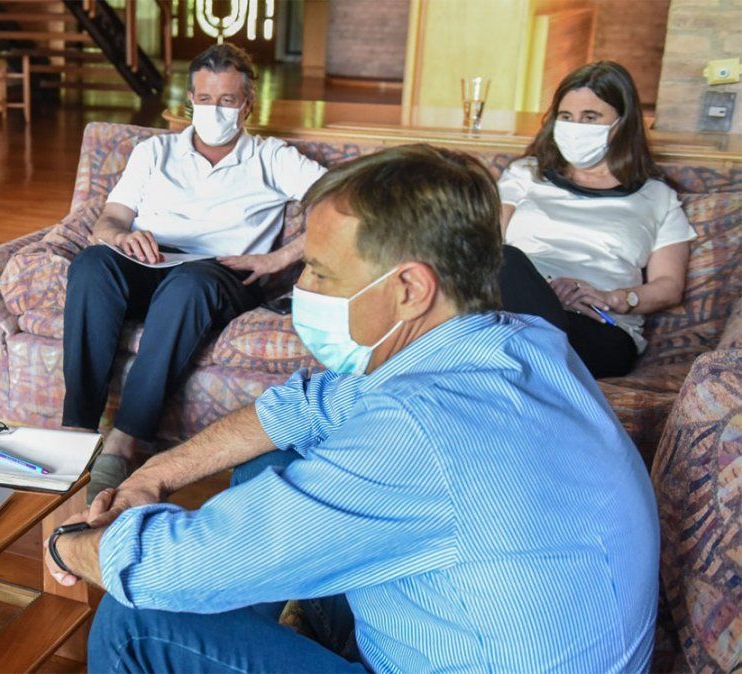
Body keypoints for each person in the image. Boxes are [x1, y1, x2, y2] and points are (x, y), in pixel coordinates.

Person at [44, 145, 660, 672]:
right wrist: (153, 475)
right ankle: (242, 591)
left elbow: (164, 569)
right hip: (472, 624)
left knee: (135, 621)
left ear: (410, 289)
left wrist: (67, 543)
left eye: (318, 272)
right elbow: (305, 406)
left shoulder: (418, 432)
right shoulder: (522, 340)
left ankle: (231, 594)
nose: (300, 293)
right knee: (275, 459)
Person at [62, 44, 327, 501]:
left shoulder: (271, 157)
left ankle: (124, 443)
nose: (214, 110)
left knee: (188, 285)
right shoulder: (155, 151)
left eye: (226, 101)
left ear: (247, 106)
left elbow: (344, 202)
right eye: (204, 99)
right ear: (190, 101)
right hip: (150, 260)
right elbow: (109, 220)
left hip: (220, 273)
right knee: (91, 264)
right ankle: (74, 432)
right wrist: (121, 238)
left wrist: (277, 259)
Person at [498, 61, 694, 378]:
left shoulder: (657, 197)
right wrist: (542, 290)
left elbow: (669, 286)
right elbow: (488, 248)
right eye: (566, 117)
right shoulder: (525, 175)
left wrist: (615, 298)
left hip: (597, 325)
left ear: (622, 124)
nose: (576, 127)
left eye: (590, 118)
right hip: (518, 309)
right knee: (506, 260)